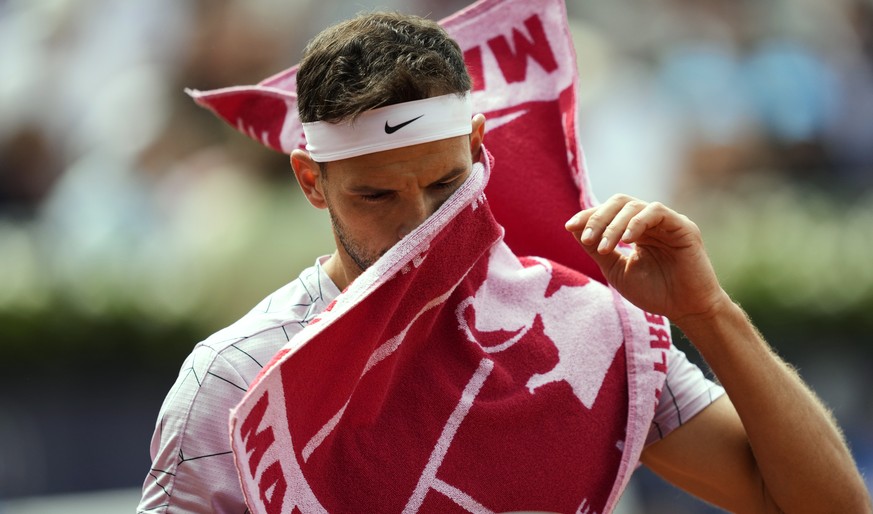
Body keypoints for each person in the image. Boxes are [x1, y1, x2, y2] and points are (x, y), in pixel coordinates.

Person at [138, 11, 871, 514]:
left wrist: (707, 311)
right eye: (375, 195)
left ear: (481, 148)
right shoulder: (233, 381)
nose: (419, 222)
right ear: (310, 181)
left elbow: (826, 506)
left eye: (445, 183)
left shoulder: (583, 325)